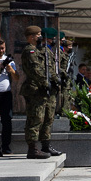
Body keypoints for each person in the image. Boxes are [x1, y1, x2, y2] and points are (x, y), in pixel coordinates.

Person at [20, 25, 62, 159]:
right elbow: (35, 71)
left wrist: (56, 80)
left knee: (47, 118)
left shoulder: (40, 50)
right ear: (31, 37)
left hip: (44, 90)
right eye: (38, 34)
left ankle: (45, 145)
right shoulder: (29, 51)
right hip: (35, 89)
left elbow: (48, 69)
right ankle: (32, 149)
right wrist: (45, 82)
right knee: (36, 118)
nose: (41, 36)